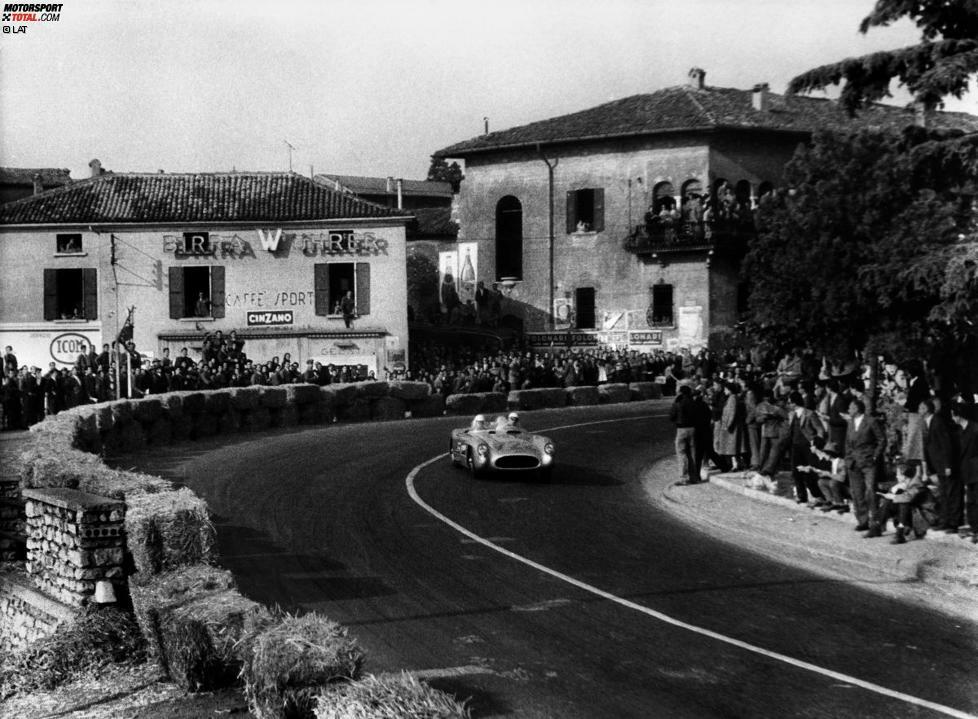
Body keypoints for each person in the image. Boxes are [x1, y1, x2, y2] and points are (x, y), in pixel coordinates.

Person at [845, 398, 886, 538]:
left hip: (868, 461)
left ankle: (875, 523)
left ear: (857, 409)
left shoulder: (870, 421)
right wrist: (848, 458)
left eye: (850, 407)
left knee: (870, 491)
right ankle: (863, 520)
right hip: (853, 462)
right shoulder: (850, 422)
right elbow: (848, 443)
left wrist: (875, 456)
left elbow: (881, 439)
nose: (849, 410)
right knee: (857, 493)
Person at [920, 399, 959, 534]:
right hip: (938, 465)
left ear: (927, 409)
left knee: (951, 493)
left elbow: (946, 443)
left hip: (945, 464)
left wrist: (948, 465)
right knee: (944, 494)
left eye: (921, 408)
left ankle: (953, 523)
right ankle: (945, 521)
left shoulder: (937, 422)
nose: (919, 410)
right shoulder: (928, 423)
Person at [951, 403, 978, 543]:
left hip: (976, 470)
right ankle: (975, 529)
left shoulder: (975, 429)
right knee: (971, 502)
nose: (952, 418)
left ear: (958, 415)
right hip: (968, 471)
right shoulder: (959, 431)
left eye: (953, 415)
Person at [670, 384, 698, 485]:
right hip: (693, 428)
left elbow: (672, 416)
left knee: (681, 454)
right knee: (692, 453)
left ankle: (683, 478)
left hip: (682, 429)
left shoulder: (678, 403)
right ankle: (693, 477)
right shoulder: (693, 402)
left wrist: (675, 402)